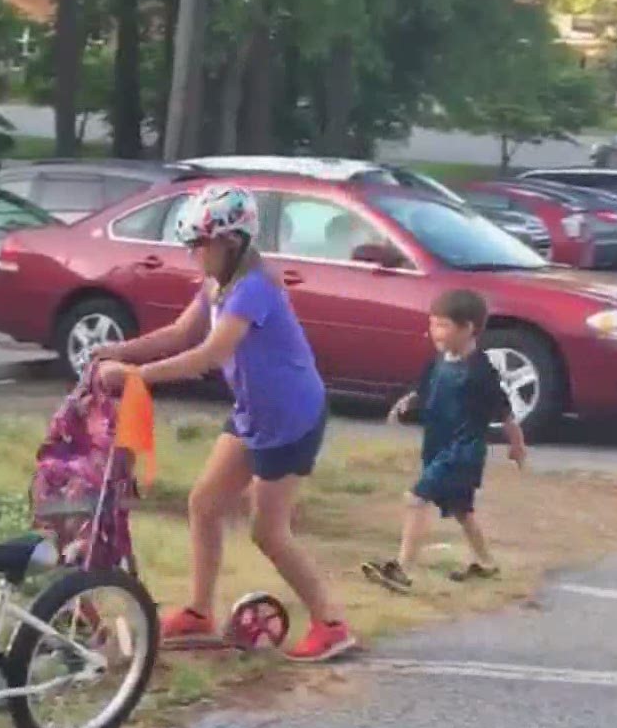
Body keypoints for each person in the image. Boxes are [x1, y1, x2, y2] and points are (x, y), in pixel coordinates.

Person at [92, 183, 357, 663]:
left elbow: (210, 354)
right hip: (253, 412)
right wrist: (118, 351)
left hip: (290, 417)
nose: (194, 254)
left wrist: (134, 377)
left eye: (200, 245)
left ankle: (331, 623)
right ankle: (198, 611)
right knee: (205, 503)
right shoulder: (218, 283)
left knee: (268, 532)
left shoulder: (254, 287)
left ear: (231, 242)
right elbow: (180, 333)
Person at [362, 290, 526, 594]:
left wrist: (516, 445)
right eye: (432, 324)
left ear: (468, 328)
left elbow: (504, 411)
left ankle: (402, 569)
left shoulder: (480, 372)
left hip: (462, 451)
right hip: (437, 446)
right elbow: (424, 389)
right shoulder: (439, 361)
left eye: (443, 326)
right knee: (462, 509)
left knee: (415, 499)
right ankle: (487, 563)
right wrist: (406, 403)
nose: (433, 332)